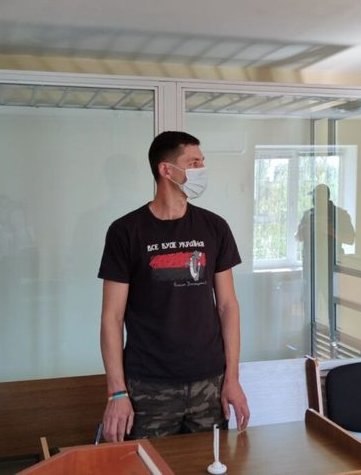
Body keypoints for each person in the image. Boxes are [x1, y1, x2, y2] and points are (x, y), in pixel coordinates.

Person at [98, 131, 250, 441]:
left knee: (209, 462)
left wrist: (232, 378)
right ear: (166, 170)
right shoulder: (125, 231)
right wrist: (117, 392)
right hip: (148, 385)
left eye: (202, 162)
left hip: (209, 381)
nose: (202, 170)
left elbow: (227, 306)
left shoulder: (215, 227)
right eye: (193, 163)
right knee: (149, 463)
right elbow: (112, 317)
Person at [295, 184, 355, 350]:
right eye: (313, 197)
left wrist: (328, 229)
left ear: (325, 198)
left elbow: (350, 239)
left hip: (330, 270)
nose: (314, 200)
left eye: (316, 197)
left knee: (332, 308)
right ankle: (308, 344)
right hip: (310, 270)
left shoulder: (340, 214)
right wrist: (306, 228)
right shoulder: (309, 214)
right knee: (309, 307)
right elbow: (297, 237)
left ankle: (334, 343)